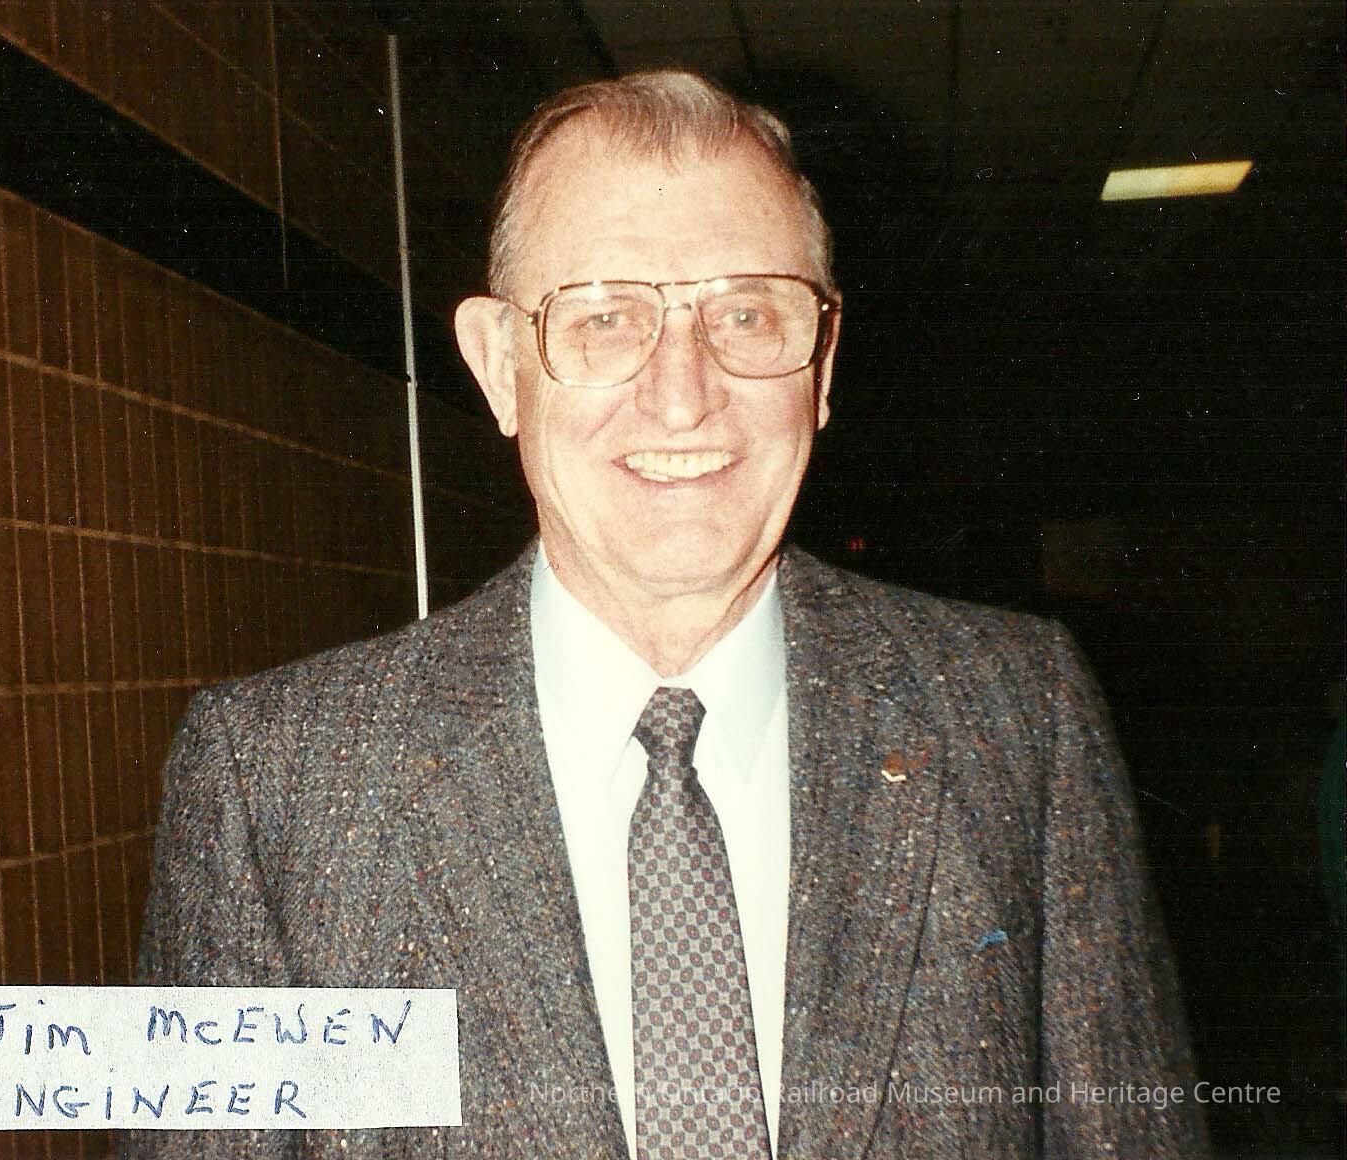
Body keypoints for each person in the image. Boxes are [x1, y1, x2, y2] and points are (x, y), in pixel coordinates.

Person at [126, 71, 1206, 1158]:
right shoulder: (274, 786)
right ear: (499, 366)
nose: (683, 395)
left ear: (823, 361)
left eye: (746, 313)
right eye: (604, 319)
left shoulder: (1016, 717)